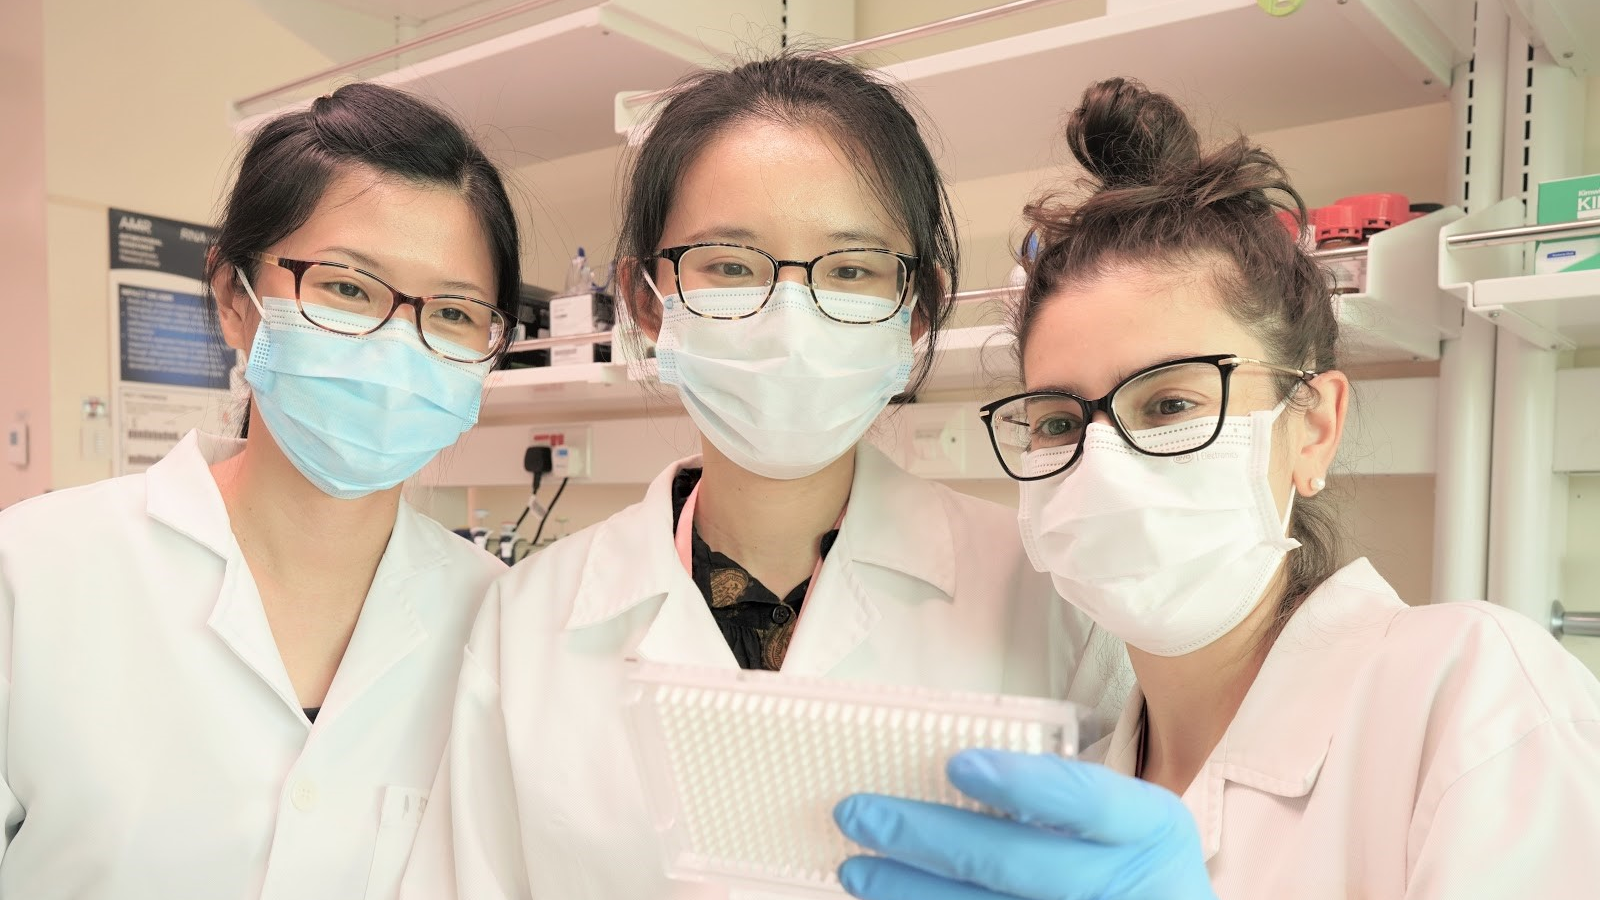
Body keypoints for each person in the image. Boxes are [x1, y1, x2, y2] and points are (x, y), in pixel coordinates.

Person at [832, 77, 1600, 900]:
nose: (1104, 465)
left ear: (1313, 427)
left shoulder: (1474, 699)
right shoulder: (1080, 784)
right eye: (1059, 422)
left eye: (1170, 403)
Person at [399, 52, 1130, 900]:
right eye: (731, 265)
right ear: (647, 299)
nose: (790, 315)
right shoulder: (526, 625)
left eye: (851, 270)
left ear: (917, 308)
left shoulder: (1050, 599)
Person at [0, 83, 523, 900]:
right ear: (232, 302)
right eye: (348, 287)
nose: (397, 342)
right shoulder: (33, 574)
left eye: (453, 312)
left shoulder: (501, 623)